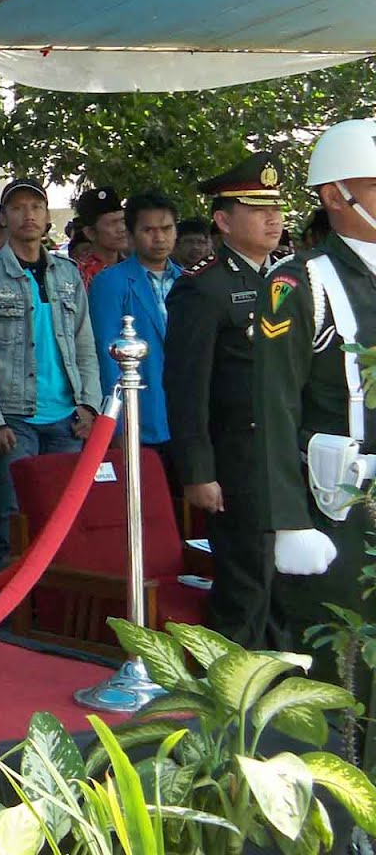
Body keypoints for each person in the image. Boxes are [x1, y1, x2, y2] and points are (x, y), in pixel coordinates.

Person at [253, 121, 376, 678]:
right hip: (338, 509)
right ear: (334, 195)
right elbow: (273, 407)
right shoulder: (298, 283)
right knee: (342, 668)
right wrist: (287, 521)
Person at [163, 152, 286, 647]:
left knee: (281, 582)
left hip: (280, 460)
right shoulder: (204, 288)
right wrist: (197, 469)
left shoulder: (281, 279)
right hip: (234, 461)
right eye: (258, 209)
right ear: (223, 220)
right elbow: (186, 386)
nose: (273, 218)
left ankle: (280, 695)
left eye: (276, 207)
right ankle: (230, 706)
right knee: (244, 585)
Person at [0, 178, 99, 569]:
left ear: (47, 217)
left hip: (66, 417)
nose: (29, 215)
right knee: (10, 516)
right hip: (14, 418)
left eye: (36, 207)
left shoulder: (68, 274)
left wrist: (89, 405)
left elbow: (84, 343)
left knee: (63, 519)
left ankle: (52, 609)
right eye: (18, 208)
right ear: (3, 218)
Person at [88, 191, 180, 457]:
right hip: (139, 414)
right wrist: (115, 425)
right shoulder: (110, 283)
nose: (159, 238)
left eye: (166, 229)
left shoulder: (188, 281)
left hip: (186, 416)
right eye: (148, 230)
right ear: (130, 235)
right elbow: (107, 358)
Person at [75, 186, 127, 290]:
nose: (122, 229)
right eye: (112, 223)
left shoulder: (135, 266)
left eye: (122, 221)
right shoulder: (79, 275)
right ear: (90, 233)